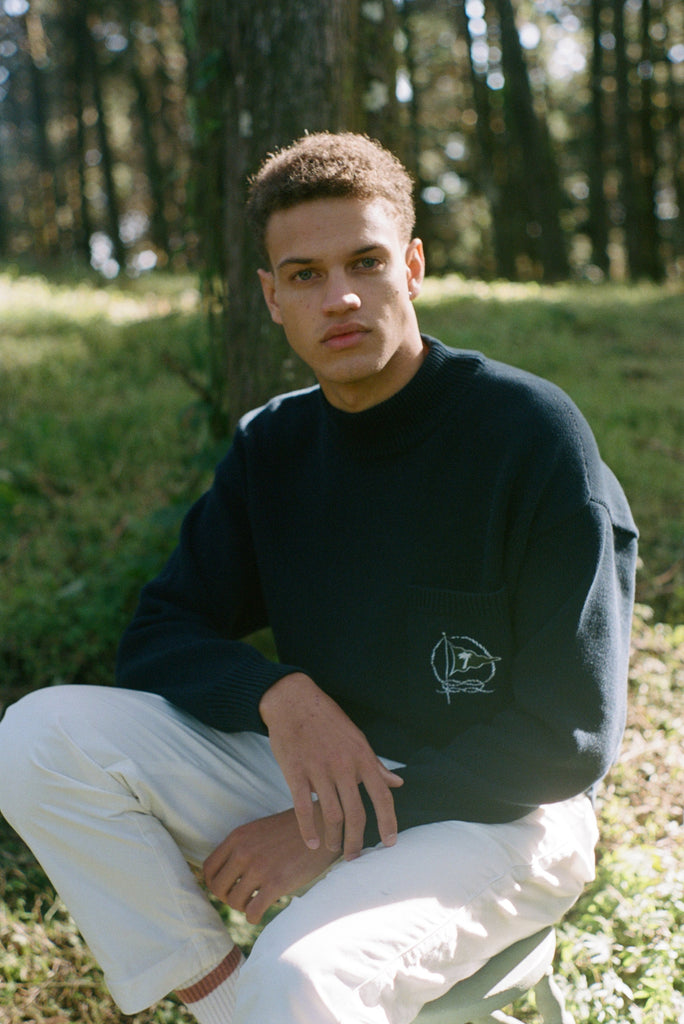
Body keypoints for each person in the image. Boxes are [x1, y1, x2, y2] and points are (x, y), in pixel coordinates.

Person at [0, 132, 638, 1024]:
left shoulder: (527, 436)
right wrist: (281, 696)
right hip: (329, 772)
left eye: (365, 263)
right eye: (302, 275)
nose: (338, 297)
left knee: (302, 981)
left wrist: (333, 834)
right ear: (269, 297)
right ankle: (226, 1004)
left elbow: (567, 741)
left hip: (503, 814)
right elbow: (159, 631)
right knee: (39, 737)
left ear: (412, 267)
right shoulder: (277, 445)